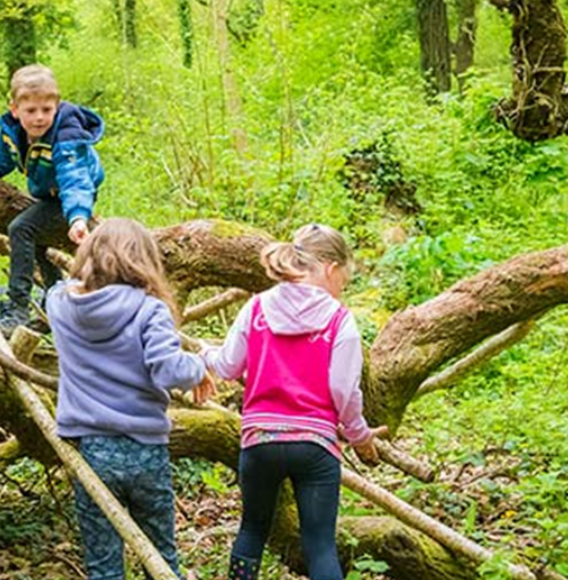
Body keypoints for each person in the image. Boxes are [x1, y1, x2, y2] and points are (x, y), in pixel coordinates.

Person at [202, 223, 385, 580]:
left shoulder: (255, 308)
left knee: (252, 531)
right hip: (314, 446)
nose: (340, 290)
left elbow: (227, 365)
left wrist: (205, 354)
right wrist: (359, 435)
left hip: (260, 441)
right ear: (331, 269)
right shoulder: (339, 319)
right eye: (342, 281)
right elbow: (344, 391)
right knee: (320, 545)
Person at [46, 218, 216, 580]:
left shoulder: (58, 303)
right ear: (143, 261)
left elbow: (68, 286)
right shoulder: (149, 309)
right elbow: (168, 371)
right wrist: (198, 366)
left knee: (103, 564)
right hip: (145, 449)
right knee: (160, 554)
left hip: (90, 449)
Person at [0, 64, 104, 337]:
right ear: (15, 109)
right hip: (46, 196)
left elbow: (75, 179)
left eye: (47, 110)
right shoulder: (12, 131)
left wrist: (78, 216)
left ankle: (17, 307)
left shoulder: (66, 135)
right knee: (33, 237)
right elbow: (0, 161)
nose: (39, 118)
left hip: (72, 197)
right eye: (31, 111)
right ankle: (53, 302)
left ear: (56, 107)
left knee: (21, 228)